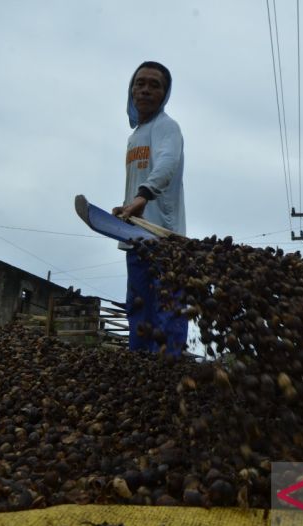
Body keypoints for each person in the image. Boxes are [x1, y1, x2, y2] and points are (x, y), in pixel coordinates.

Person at [112, 61, 187, 356]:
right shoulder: (135, 136)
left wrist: (143, 196)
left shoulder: (167, 126)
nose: (145, 90)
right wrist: (129, 207)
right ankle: (141, 378)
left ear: (165, 94)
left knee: (168, 313)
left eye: (154, 85)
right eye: (139, 83)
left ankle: (170, 377)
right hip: (136, 240)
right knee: (139, 313)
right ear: (131, 90)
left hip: (164, 240)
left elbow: (168, 163)